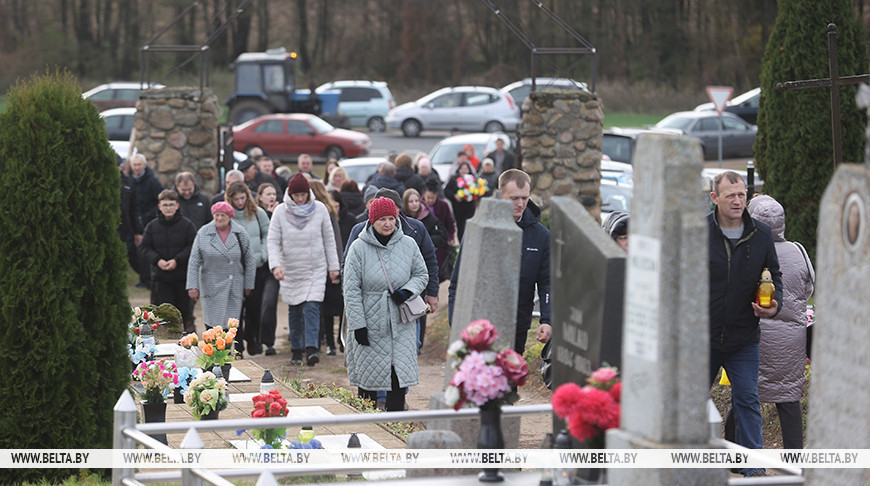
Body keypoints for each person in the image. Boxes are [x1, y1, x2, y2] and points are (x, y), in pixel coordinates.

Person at [707, 171, 781, 478]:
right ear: (715, 198)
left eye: (742, 195)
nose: (738, 201)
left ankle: (754, 468)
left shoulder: (761, 235)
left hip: (744, 337)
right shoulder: (698, 232)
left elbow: (774, 276)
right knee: (690, 404)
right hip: (703, 338)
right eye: (730, 196)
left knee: (748, 399)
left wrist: (774, 306)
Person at [448, 169, 552, 354]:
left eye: (524, 197)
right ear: (499, 195)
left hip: (517, 322)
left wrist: (547, 319)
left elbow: (547, 282)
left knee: (509, 379)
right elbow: (459, 279)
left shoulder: (541, 236)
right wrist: (455, 321)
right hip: (479, 321)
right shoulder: (480, 229)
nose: (520, 204)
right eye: (514, 198)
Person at [343, 197, 429, 412]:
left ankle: (396, 422)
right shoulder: (358, 248)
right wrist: (357, 325)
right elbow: (351, 290)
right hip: (370, 320)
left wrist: (407, 291)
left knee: (398, 376)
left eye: (391, 218)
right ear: (372, 220)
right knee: (368, 378)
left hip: (401, 320)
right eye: (382, 219)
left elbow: (421, 274)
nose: (388, 223)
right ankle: (368, 427)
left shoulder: (408, 244)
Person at [748, 195, 814, 450]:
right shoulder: (799, 251)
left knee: (745, 398)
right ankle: (795, 460)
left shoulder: (750, 252)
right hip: (792, 339)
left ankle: (735, 452)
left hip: (756, 338)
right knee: (789, 398)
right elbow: (808, 289)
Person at [267, 173, 340, 366]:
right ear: (290, 195)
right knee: (295, 309)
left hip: (315, 267)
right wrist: (276, 266)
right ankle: (296, 351)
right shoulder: (280, 212)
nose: (300, 199)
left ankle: (312, 349)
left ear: (308, 193)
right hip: (291, 269)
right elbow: (273, 241)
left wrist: (334, 267)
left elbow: (329, 239)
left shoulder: (320, 210)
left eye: (303, 195)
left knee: (312, 307)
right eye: (296, 195)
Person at [186, 202, 255, 332]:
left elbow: (250, 260)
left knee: (231, 326)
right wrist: (192, 286)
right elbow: (194, 261)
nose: (219, 218)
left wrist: (248, 285)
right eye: (216, 215)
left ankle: (229, 352)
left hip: (234, 286)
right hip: (211, 287)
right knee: (213, 327)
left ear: (230, 216)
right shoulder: (203, 233)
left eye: (223, 215)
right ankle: (213, 352)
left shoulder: (240, 232)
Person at [139, 190, 198, 332]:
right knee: (163, 315)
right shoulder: (152, 226)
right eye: (165, 205)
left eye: (171, 205)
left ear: (177, 206)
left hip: (182, 278)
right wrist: (157, 260)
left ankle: (187, 344)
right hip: (161, 278)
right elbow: (144, 247)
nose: (168, 208)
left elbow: (193, 246)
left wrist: (177, 260)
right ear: (159, 207)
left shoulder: (187, 225)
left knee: (185, 314)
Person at [226, 181, 271, 355]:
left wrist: (263, 253)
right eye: (236, 199)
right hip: (235, 268)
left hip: (257, 266)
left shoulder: (258, 213)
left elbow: (268, 233)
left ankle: (252, 337)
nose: (239, 202)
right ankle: (238, 343)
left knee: (254, 306)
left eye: (242, 198)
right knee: (236, 309)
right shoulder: (228, 216)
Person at [404, 188, 449, 349]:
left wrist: (428, 241)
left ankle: (418, 342)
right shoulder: (402, 222)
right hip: (406, 272)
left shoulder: (428, 218)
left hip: (421, 270)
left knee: (419, 308)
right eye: (411, 201)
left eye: (417, 200)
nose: (414, 204)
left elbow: (442, 233)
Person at [310, 180, 345, 356]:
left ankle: (334, 341)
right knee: (321, 308)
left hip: (326, 266)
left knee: (331, 308)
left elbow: (335, 240)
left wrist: (336, 267)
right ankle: (323, 341)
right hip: (317, 264)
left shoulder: (327, 212)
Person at [129, 153, 164, 289]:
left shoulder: (152, 181)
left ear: (144, 165)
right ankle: (143, 276)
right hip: (134, 220)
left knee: (145, 250)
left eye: (139, 164)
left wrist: (149, 215)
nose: (137, 167)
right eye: (135, 165)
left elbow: (159, 200)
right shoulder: (129, 181)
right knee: (132, 250)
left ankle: (147, 279)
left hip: (148, 220)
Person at [256, 183, 280, 356]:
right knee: (255, 305)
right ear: (260, 197)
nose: (272, 197)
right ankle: (256, 340)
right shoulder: (255, 214)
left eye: (274, 193)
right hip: (257, 266)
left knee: (269, 303)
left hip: (273, 267)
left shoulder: (281, 213)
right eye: (268, 194)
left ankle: (269, 341)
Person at [118, 159, 144, 279]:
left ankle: (144, 278)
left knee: (132, 255)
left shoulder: (129, 182)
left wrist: (138, 231)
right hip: (109, 227)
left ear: (121, 167)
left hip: (126, 227)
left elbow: (134, 208)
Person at [423, 179, 457, 270]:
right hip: (426, 238)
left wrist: (451, 236)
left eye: (432, 198)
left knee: (439, 266)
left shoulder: (443, 205)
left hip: (441, 239)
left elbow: (450, 222)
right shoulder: (419, 204)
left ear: (437, 196)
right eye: (428, 197)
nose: (430, 200)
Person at [443, 161, 478, 242]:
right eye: (462, 169)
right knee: (460, 226)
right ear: (459, 170)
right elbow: (446, 190)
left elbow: (477, 191)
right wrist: (454, 196)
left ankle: (469, 242)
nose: (464, 170)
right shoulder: (454, 179)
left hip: (469, 207)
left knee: (468, 225)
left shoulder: (473, 179)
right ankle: (461, 242)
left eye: (466, 169)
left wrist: (473, 195)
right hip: (458, 208)